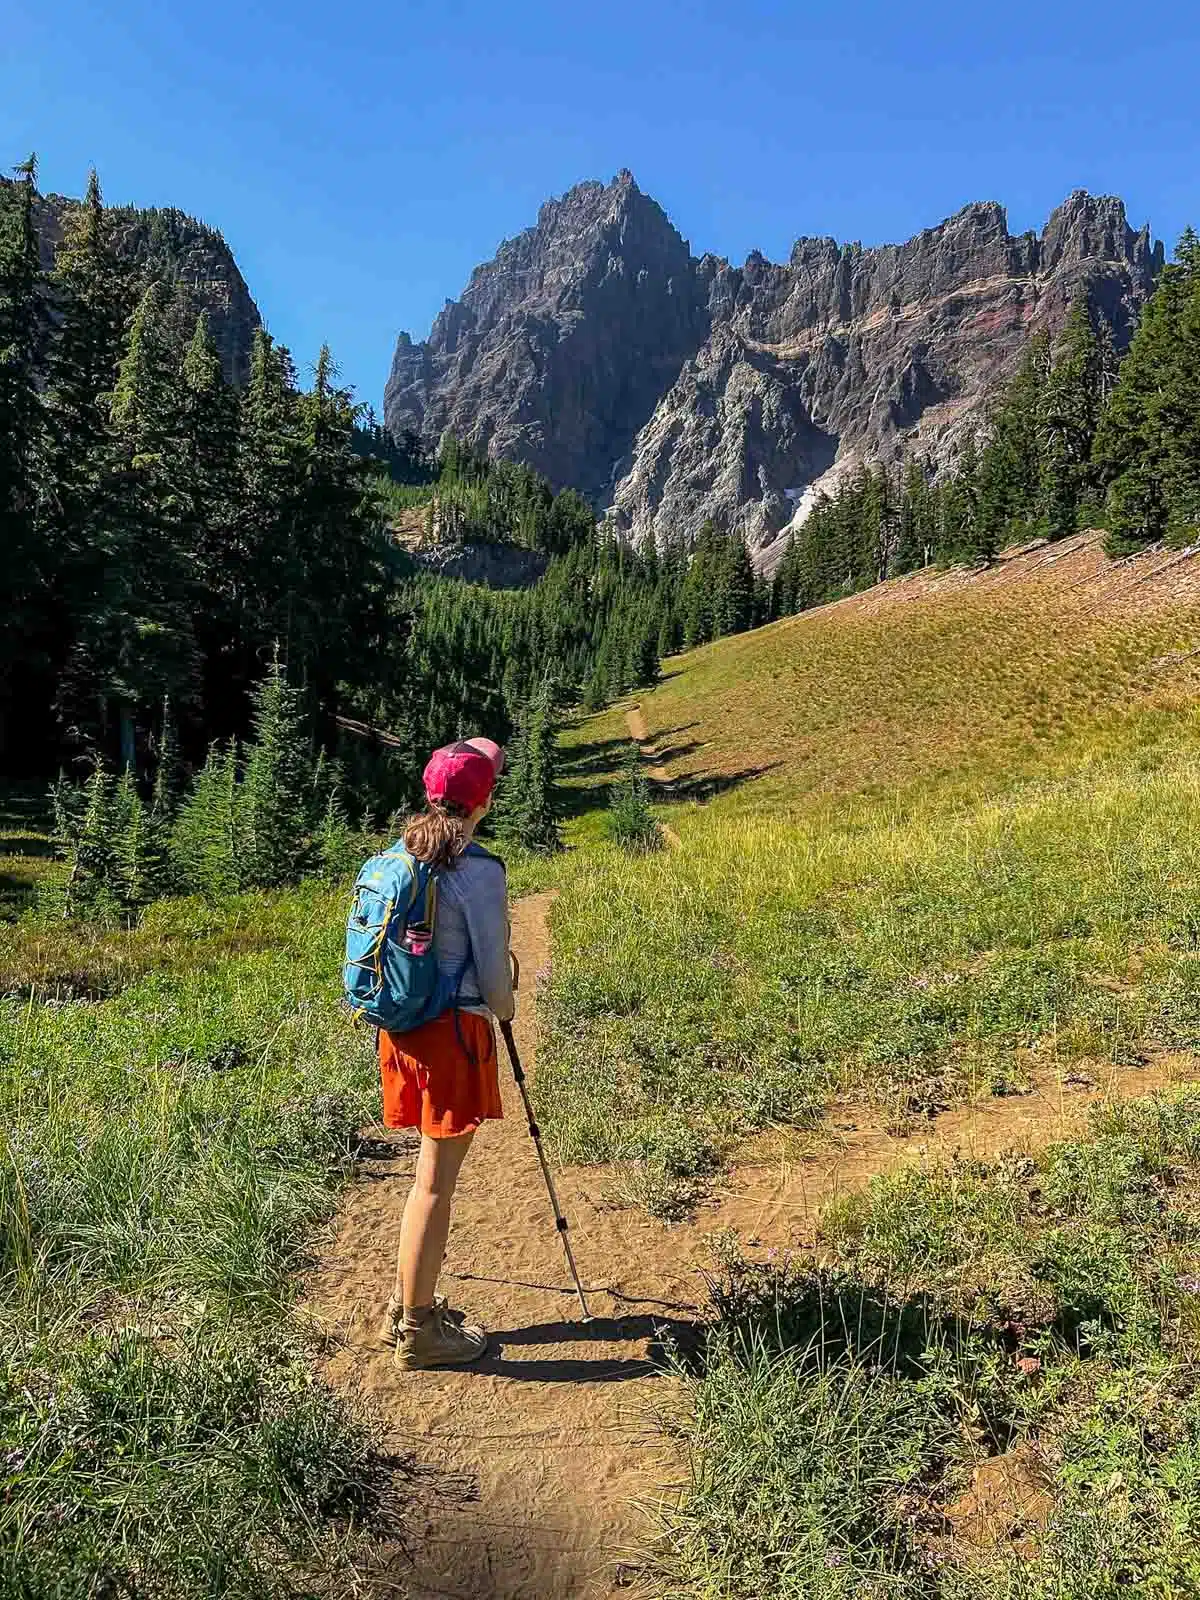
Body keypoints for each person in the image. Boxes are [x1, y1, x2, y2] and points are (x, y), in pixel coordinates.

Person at [378, 737, 515, 1370]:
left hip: (403, 1030)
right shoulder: (480, 870)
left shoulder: (400, 855)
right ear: (483, 799)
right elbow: (492, 983)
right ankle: (419, 1329)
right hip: (453, 1038)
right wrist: (506, 1009)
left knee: (422, 1179)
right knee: (435, 1184)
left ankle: (405, 1304)